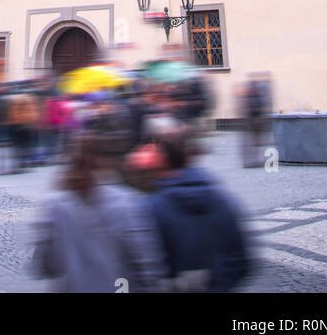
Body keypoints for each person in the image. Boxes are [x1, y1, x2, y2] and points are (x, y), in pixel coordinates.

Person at [31, 123, 167, 293]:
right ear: (105, 160)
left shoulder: (54, 207)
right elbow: (147, 264)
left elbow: (45, 266)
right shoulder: (128, 203)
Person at [148, 129, 251, 292]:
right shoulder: (221, 199)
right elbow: (241, 259)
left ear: (163, 160)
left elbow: (148, 267)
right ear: (191, 155)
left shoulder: (154, 206)